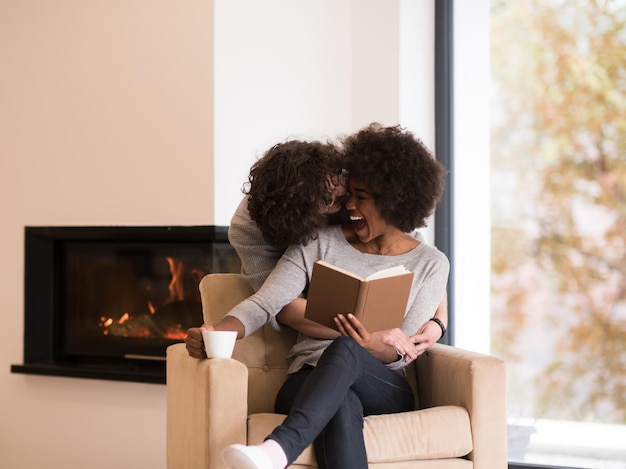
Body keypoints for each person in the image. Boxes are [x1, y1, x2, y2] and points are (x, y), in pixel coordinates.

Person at [186, 123, 449, 469]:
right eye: (344, 197)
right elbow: (267, 303)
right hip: (306, 379)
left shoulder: (430, 262)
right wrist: (219, 331)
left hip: (383, 384)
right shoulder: (315, 240)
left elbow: (399, 354)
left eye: (359, 196)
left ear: (392, 201)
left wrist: (434, 324)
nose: (349, 204)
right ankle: (275, 453)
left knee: (348, 349)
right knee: (340, 404)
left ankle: (277, 450)